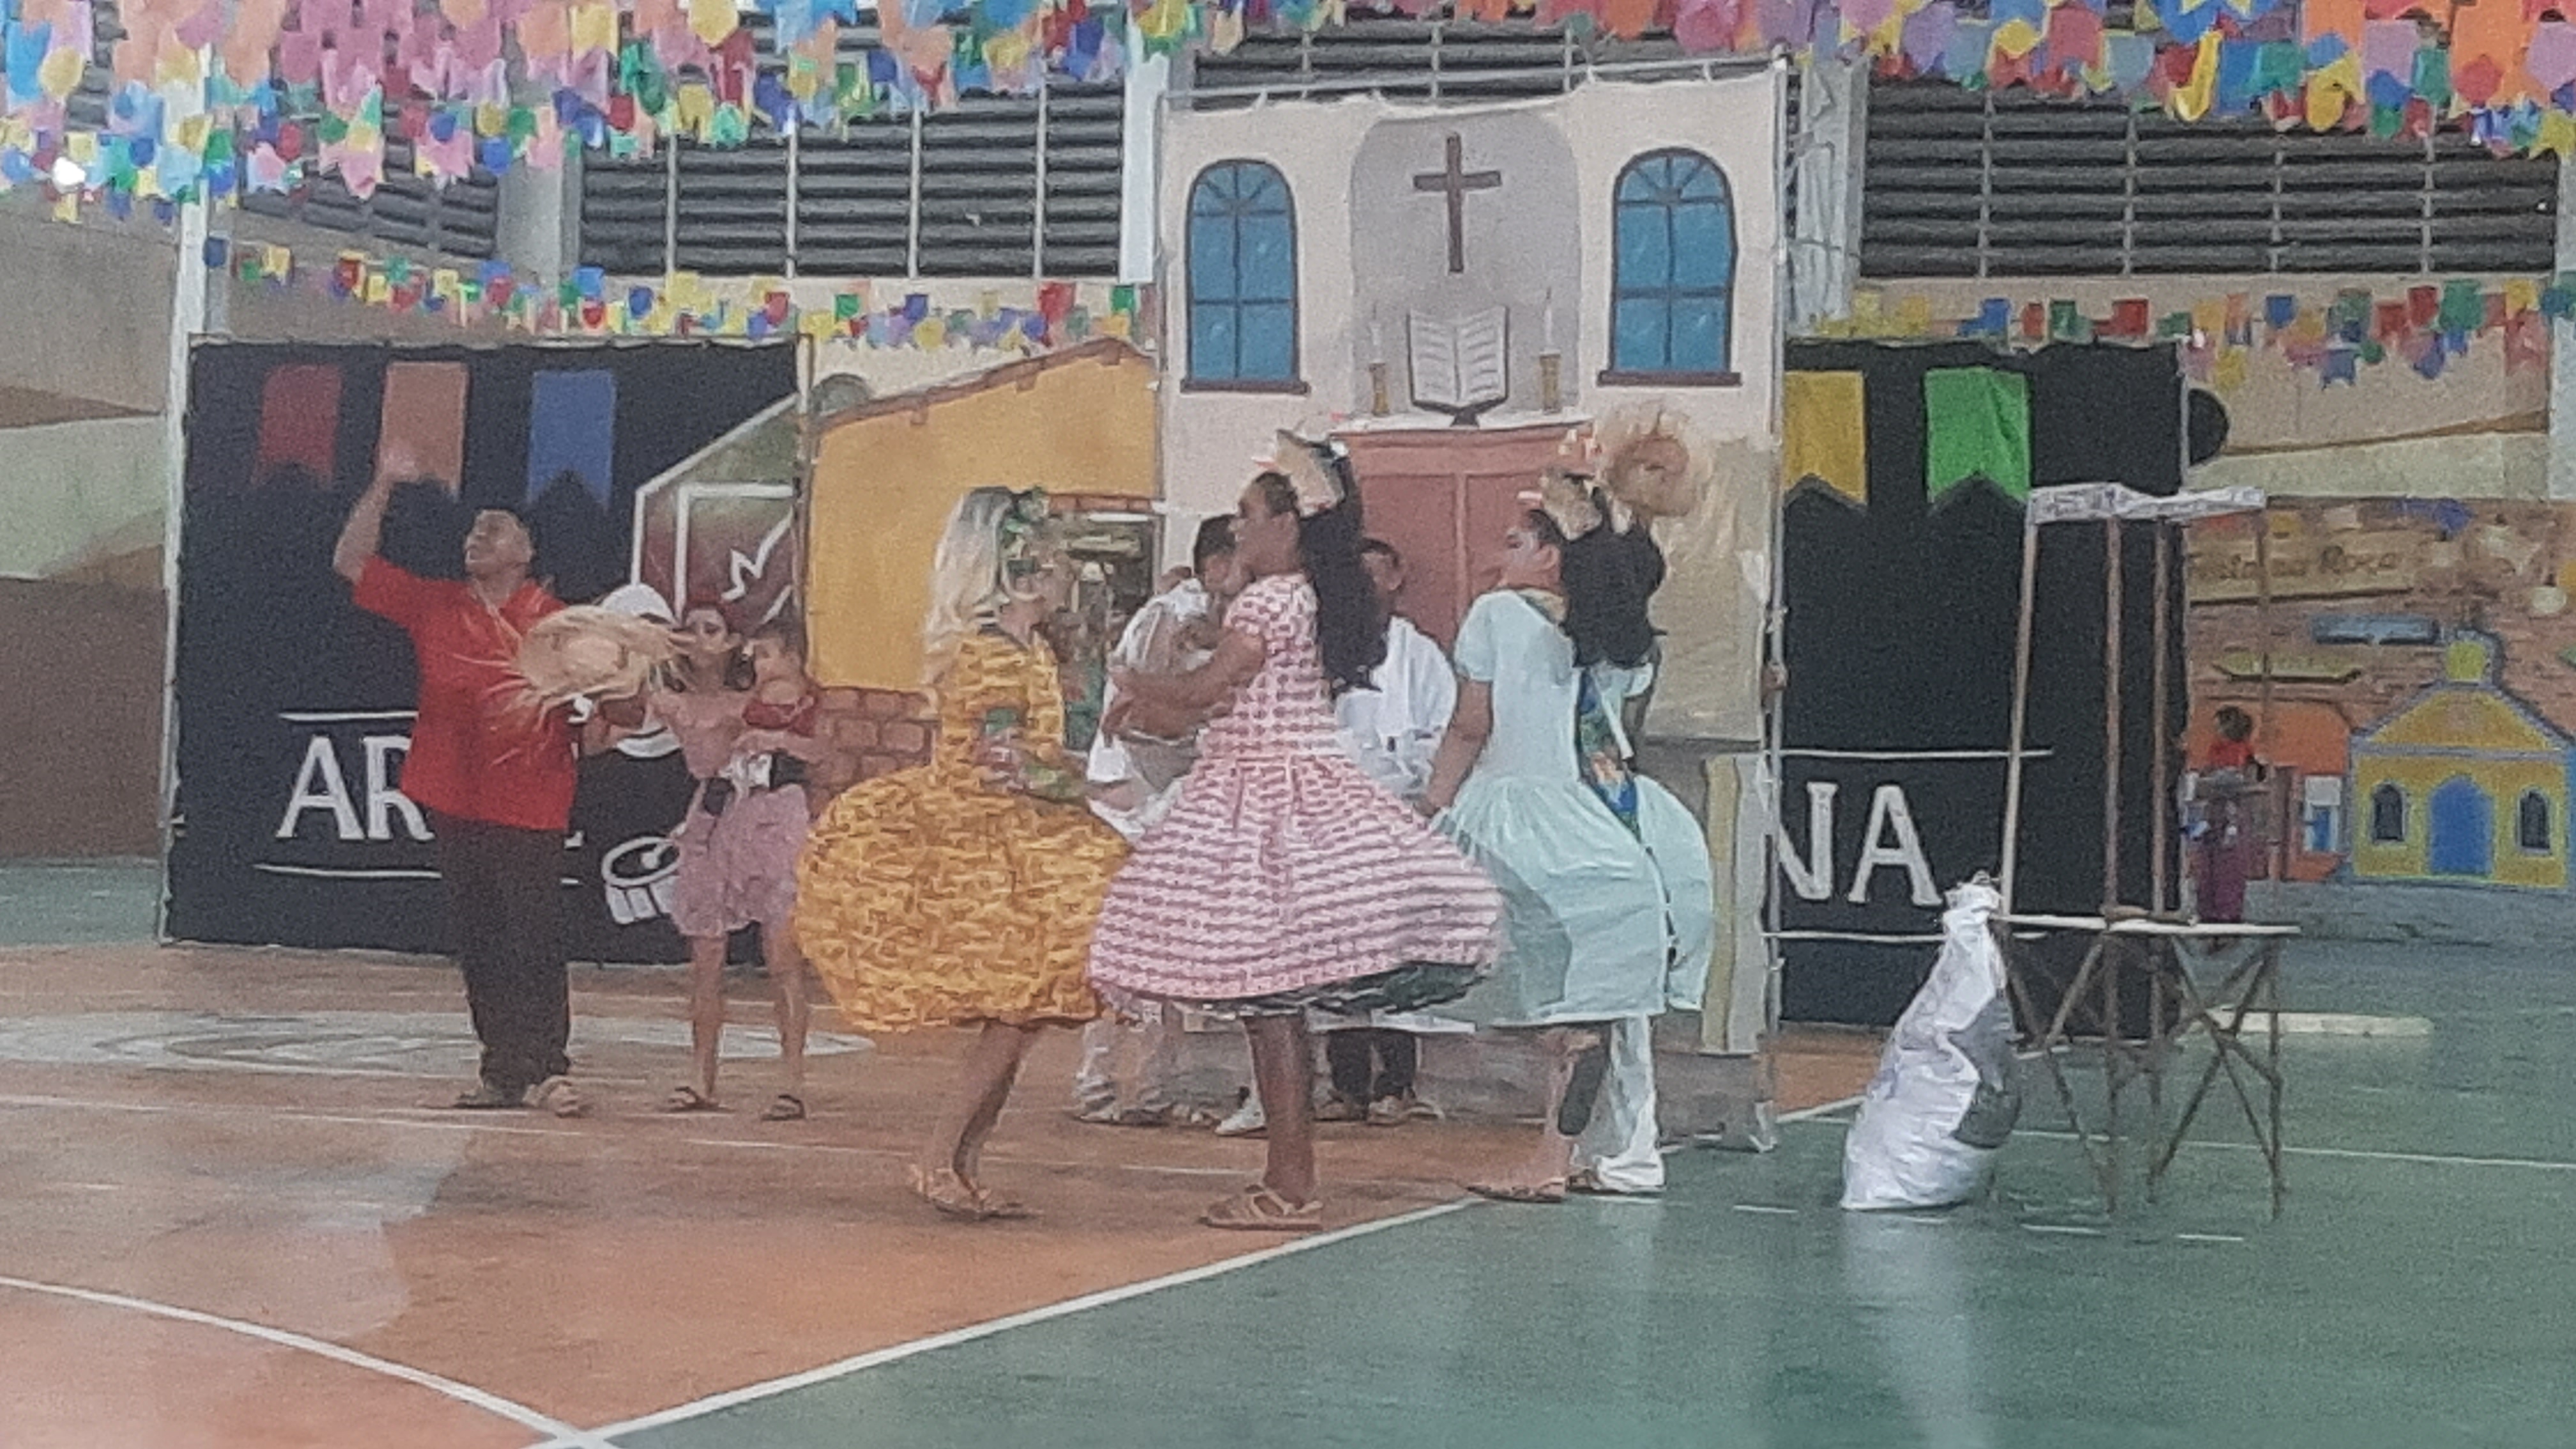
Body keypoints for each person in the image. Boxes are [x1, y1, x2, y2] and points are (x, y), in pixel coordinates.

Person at [1089, 438, 1503, 1232]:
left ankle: (1290, 1181)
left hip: (1263, 793)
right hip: (1300, 779)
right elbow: (1228, 691)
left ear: (1288, 524)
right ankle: (1288, 1174)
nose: (1237, 528)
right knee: (1271, 997)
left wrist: (1131, 677)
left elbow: (1210, 690)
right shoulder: (1310, 597)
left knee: (1268, 996)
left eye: (1248, 515)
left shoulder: (1270, 601)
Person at [795, 487, 1127, 1222]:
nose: (1065, 571)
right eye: (1054, 558)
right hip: (983, 841)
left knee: (1023, 1016)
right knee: (1014, 1010)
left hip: (1019, 834)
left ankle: (961, 1163)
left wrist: (1075, 779)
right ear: (1022, 570)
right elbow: (1002, 762)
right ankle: (941, 1158)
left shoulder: (1026, 649)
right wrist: (1091, 786)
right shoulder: (991, 656)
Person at [1421, 471, 1716, 1202]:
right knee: (1612, 1004)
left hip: (1524, 823)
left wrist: (1430, 808)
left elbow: (1471, 725)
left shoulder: (1498, 614)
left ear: (1552, 556)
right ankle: (1617, 1154)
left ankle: (1555, 1158)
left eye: (1516, 542)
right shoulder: (1623, 638)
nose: (1501, 555)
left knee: (1539, 999)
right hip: (1622, 824)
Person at [333, 448, 590, 1118]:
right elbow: (351, 561)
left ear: (526, 553)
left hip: (530, 798)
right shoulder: (437, 604)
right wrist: (384, 484)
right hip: (456, 793)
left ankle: (549, 1068)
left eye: (496, 529)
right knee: (479, 939)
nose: (478, 535)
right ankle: (502, 1069)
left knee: (533, 938)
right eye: (475, 528)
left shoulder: (559, 625)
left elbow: (617, 709)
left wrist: (615, 694)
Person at [1073, 517, 1243, 1127]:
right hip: (1135, 801)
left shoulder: (1213, 618)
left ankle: (1148, 1085)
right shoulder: (1171, 617)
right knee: (1132, 946)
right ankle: (1108, 1084)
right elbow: (1140, 714)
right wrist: (1213, 716)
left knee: (1162, 948)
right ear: (1218, 565)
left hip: (1168, 797)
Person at [652, 608, 831, 1122]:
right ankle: (701, 1076)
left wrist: (776, 739)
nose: (759, 661)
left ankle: (792, 1082)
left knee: (782, 955)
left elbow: (822, 750)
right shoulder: (721, 705)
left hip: (772, 819)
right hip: (719, 816)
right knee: (706, 955)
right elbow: (706, 761)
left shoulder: (793, 702)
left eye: (767, 653)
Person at [2193, 705, 2262, 924]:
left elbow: (2245, 777)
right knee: (2209, 861)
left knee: (2228, 862)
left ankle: (2226, 910)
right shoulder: (2216, 749)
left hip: (2230, 813)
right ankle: (2208, 908)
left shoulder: (2243, 752)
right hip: (2215, 812)